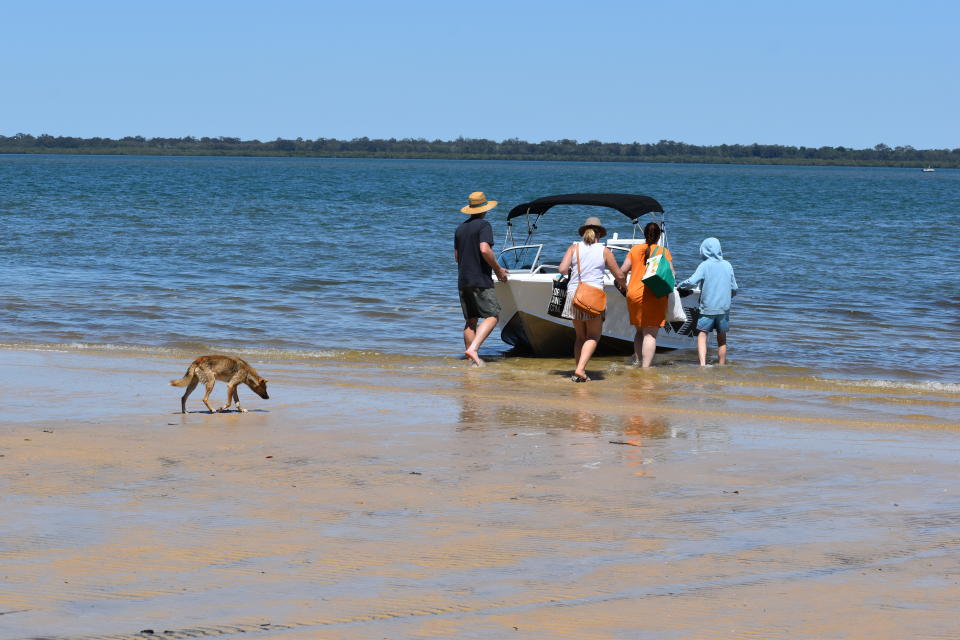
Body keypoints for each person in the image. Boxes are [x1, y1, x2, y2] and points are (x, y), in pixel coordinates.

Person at [558, 217, 626, 382]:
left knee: (580, 336)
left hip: (574, 294)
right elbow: (619, 274)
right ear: (600, 234)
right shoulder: (604, 251)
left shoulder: (574, 248)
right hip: (593, 297)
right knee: (593, 336)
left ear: (584, 233)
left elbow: (562, 269)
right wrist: (623, 285)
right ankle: (581, 369)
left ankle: (578, 371)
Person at [454, 191, 509, 366]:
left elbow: (457, 257)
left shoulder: (460, 229)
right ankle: (473, 349)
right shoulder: (484, 225)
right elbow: (485, 249)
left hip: (463, 279)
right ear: (485, 209)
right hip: (480, 279)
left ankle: (472, 361)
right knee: (493, 316)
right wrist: (498, 269)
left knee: (471, 321)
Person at [676, 237, 738, 366]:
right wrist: (727, 298)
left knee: (702, 335)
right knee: (722, 339)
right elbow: (734, 288)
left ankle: (703, 365)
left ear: (704, 251)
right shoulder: (728, 265)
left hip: (708, 308)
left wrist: (680, 286)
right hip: (724, 308)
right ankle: (721, 365)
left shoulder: (704, 265)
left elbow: (692, 282)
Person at [619, 222, 673, 367]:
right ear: (659, 236)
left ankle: (637, 362)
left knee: (639, 332)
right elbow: (672, 274)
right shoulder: (663, 251)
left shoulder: (635, 250)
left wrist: (624, 286)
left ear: (645, 235)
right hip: (655, 294)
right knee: (650, 334)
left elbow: (622, 271)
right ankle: (646, 368)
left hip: (634, 294)